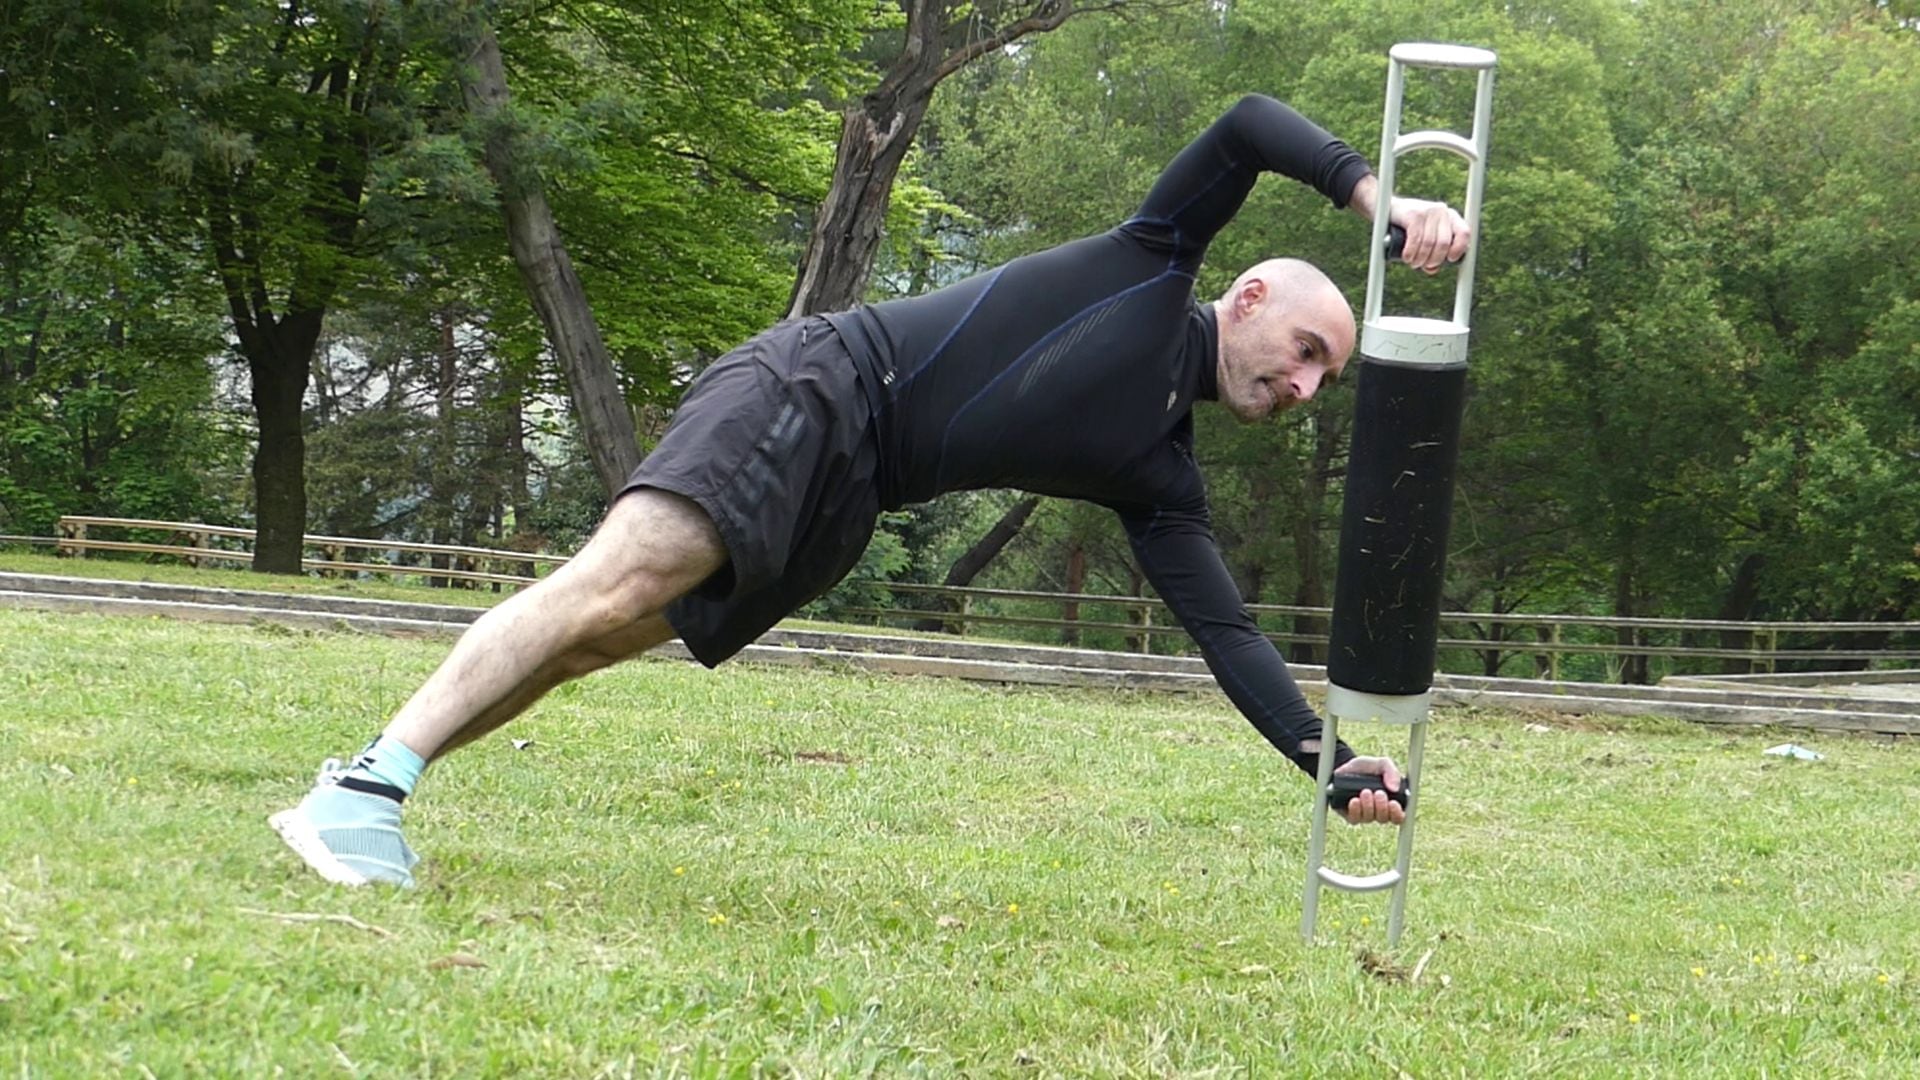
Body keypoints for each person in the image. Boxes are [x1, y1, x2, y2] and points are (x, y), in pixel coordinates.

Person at [271, 94, 1470, 887]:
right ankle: (364, 796)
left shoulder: (1157, 476)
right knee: (609, 583)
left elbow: (1227, 635)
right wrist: (1383, 202)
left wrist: (1333, 763)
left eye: (1329, 378)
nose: (1308, 385)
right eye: (1309, 349)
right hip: (815, 388)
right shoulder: (1153, 265)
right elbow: (1252, 124)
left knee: (596, 640)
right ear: (1251, 299)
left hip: (852, 494)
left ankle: (370, 784)